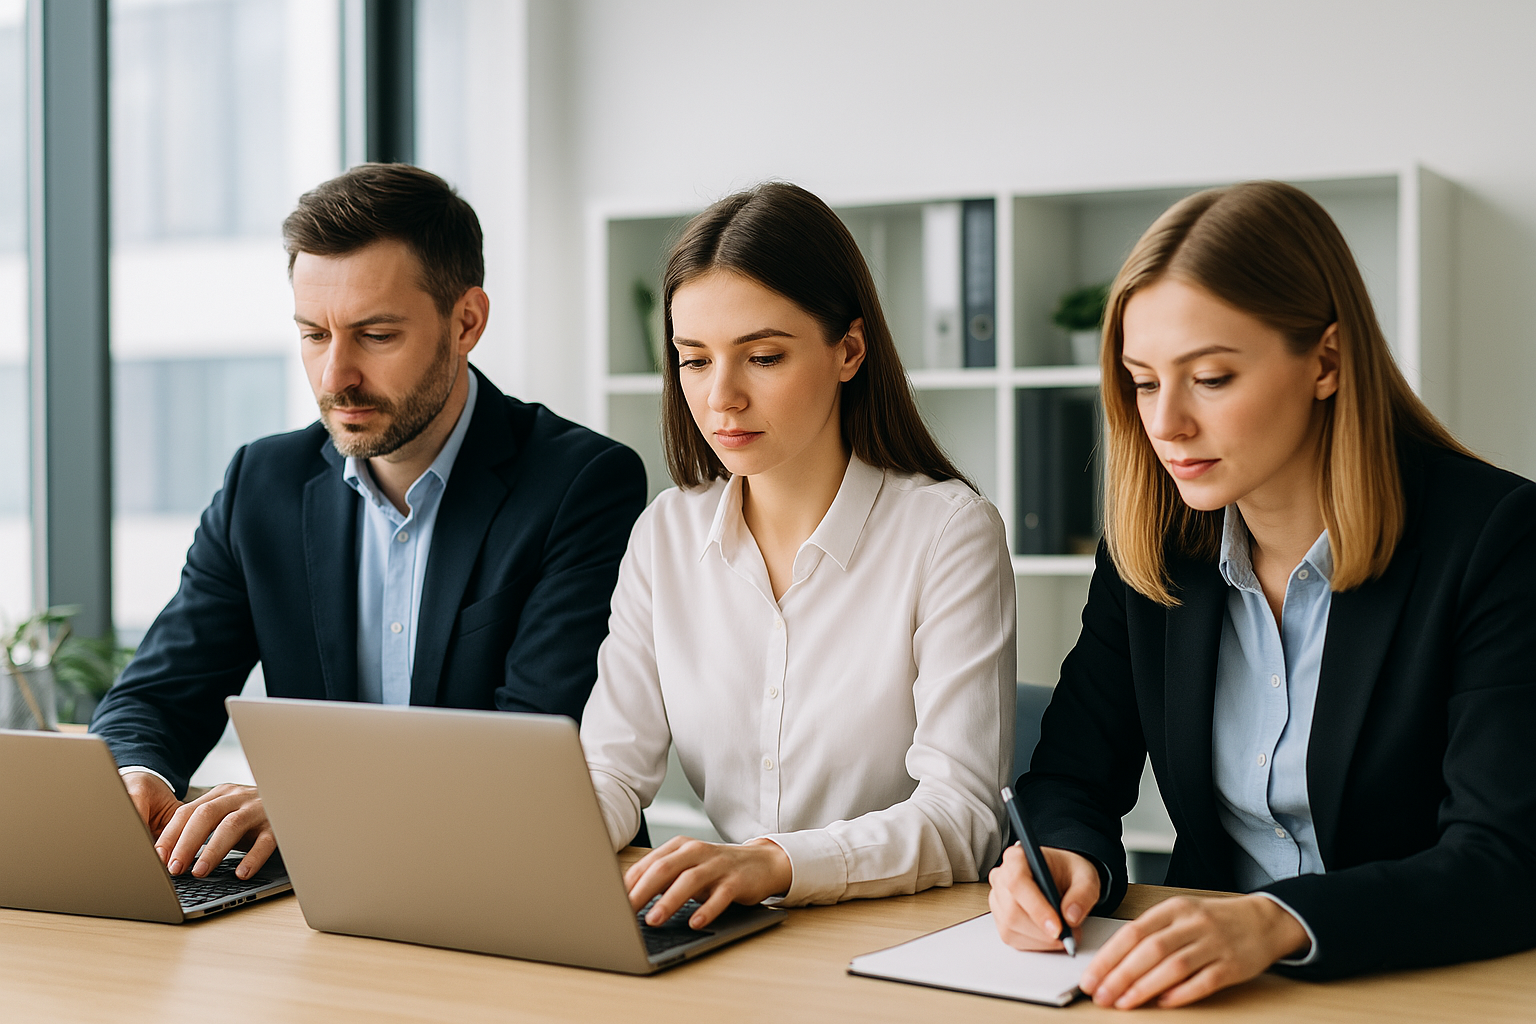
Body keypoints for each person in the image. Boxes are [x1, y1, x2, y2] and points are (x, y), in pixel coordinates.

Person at [988, 180, 1536, 1006]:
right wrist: (1066, 859)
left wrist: (1279, 921)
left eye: (1209, 378)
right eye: (1142, 381)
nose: (1166, 423)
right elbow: (1070, 779)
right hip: (1209, 992)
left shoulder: (1497, 538)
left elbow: (1503, 858)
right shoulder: (1152, 549)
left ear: (1326, 361)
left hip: (1424, 985)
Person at [91, 164, 647, 881]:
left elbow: (535, 757)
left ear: (467, 322)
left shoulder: (580, 483)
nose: (334, 377)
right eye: (313, 335)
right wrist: (137, 774)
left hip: (499, 886)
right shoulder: (261, 484)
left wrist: (310, 805)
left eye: (375, 335)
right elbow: (156, 696)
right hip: (315, 906)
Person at [579, 182, 1016, 931]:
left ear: (848, 350)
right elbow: (611, 770)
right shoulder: (666, 536)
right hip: (737, 931)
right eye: (694, 361)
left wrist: (773, 862)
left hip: (899, 935)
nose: (722, 398)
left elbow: (962, 817)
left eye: (763, 357)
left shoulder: (947, 532)